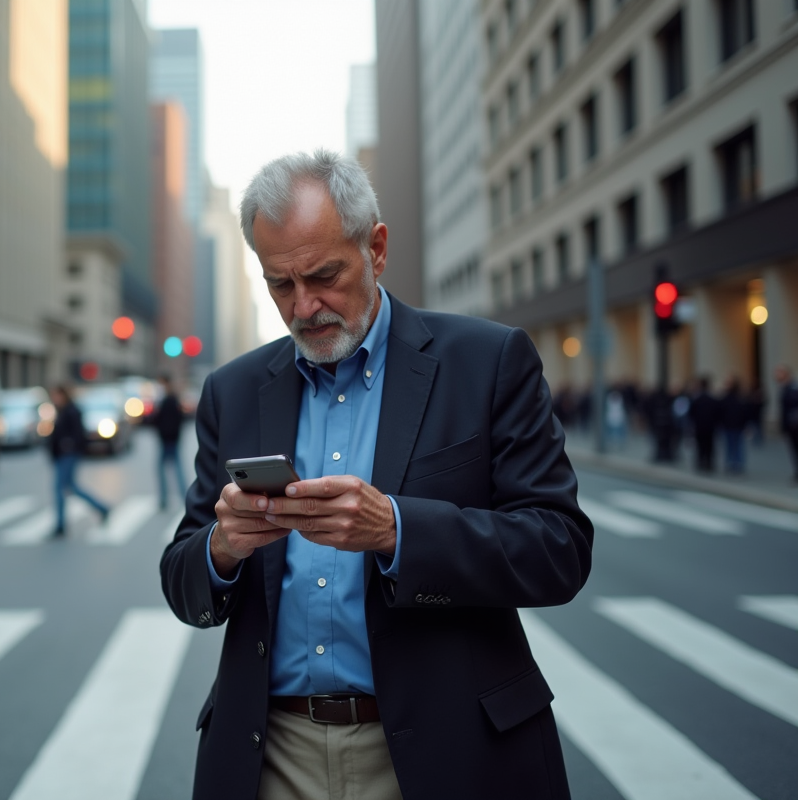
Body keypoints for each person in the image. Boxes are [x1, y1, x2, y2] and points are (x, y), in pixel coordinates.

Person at [160, 151, 592, 800]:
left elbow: (559, 550)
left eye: (324, 275)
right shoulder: (233, 390)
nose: (304, 306)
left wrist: (396, 530)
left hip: (449, 750)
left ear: (377, 248)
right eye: (280, 285)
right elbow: (181, 578)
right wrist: (222, 549)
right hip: (270, 755)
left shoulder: (487, 361)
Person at [47, 385, 109, 536]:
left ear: (63, 395)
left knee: (60, 488)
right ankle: (101, 508)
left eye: (56, 395)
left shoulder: (71, 411)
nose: (54, 399)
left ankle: (60, 525)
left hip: (68, 455)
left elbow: (78, 434)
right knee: (71, 487)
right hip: (63, 455)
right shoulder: (62, 410)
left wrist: (67, 445)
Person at [152, 374, 187, 509]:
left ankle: (165, 499)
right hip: (169, 439)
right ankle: (173, 497)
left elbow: (173, 421)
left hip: (169, 440)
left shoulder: (170, 400)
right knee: (174, 469)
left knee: (167, 470)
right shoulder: (169, 399)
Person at [689, 377, 719, 473]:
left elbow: (691, 413)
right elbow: (717, 413)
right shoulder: (712, 399)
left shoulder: (697, 399)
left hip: (699, 426)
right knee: (709, 446)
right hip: (710, 427)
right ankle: (709, 463)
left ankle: (701, 462)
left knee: (700, 445)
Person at [719, 377, 748, 474]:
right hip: (732, 425)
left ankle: (734, 464)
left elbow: (744, 413)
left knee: (734, 446)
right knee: (733, 445)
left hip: (733, 425)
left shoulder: (736, 398)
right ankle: (734, 464)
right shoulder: (739, 398)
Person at [777, 365, 798, 482]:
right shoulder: (784, 387)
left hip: (795, 426)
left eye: (779, 373)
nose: (776, 375)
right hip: (790, 426)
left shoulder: (793, 387)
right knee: (793, 450)